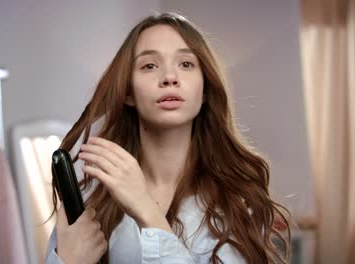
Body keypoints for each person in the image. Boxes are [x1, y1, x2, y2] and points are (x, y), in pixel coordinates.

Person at [45, 12, 290, 264]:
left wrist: (147, 211)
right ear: (128, 92)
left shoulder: (238, 201)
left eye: (186, 64)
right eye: (149, 66)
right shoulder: (91, 203)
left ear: (205, 89)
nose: (169, 78)